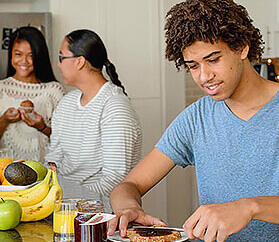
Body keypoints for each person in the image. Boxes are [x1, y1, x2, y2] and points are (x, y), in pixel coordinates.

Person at [108, 0, 279, 241]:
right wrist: (128, 208)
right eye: (193, 66)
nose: (204, 77)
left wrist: (249, 207)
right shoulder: (195, 119)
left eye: (213, 60)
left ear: (242, 48)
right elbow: (128, 186)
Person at [44, 29, 142, 212]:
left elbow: (115, 180)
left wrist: (69, 201)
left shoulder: (115, 108)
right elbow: (53, 158)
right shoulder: (66, 104)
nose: (58, 65)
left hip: (99, 215)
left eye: (61, 57)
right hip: (61, 208)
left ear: (79, 61)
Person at [0, 26, 65, 162]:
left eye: (31, 56)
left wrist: (42, 127)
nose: (24, 61)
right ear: (11, 54)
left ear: (39, 56)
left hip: (44, 172)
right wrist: (4, 120)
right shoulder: (1, 89)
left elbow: (67, 141)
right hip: (6, 175)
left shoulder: (54, 91)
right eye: (18, 54)